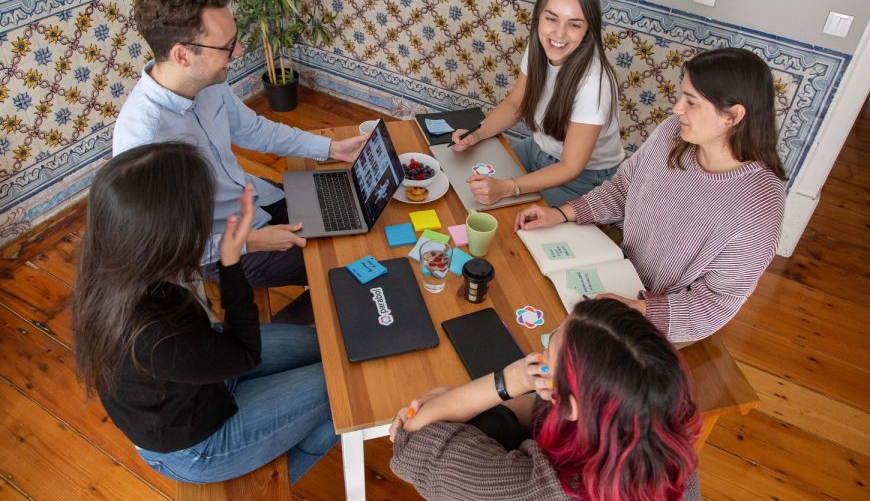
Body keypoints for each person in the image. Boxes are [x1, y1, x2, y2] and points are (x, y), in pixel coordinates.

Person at [73, 142, 338, 484]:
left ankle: (278, 441)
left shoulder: (112, 264)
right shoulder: (153, 333)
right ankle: (272, 478)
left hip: (201, 377)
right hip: (197, 444)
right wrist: (230, 263)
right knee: (345, 386)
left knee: (331, 349)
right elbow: (245, 353)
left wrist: (243, 245)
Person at [113, 0, 367, 289]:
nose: (239, 53)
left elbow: (254, 130)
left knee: (349, 206)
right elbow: (162, 248)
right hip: (226, 249)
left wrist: (330, 148)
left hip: (254, 198)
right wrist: (253, 241)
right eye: (227, 46)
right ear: (182, 55)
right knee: (347, 258)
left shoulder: (207, 80)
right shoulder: (143, 138)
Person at [515, 47, 787, 343]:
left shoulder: (759, 207)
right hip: (615, 266)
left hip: (659, 320)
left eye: (691, 102)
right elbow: (623, 188)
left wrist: (640, 309)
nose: (677, 109)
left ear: (732, 116)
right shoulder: (673, 134)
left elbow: (714, 305)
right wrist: (562, 213)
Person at [389, 298, 701, 500]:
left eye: (548, 353)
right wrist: (456, 400)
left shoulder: (526, 491)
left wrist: (510, 379)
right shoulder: (669, 442)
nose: (537, 359)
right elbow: (537, 409)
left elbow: (415, 438)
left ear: (572, 406)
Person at [449, 0, 624, 207]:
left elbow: (571, 166)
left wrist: (508, 188)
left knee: (503, 215)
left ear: (588, 30)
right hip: (538, 149)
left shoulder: (595, 83)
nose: (559, 34)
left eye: (574, 24)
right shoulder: (540, 45)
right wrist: (476, 134)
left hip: (584, 178)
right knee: (464, 188)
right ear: (539, 16)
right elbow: (515, 104)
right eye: (551, 18)